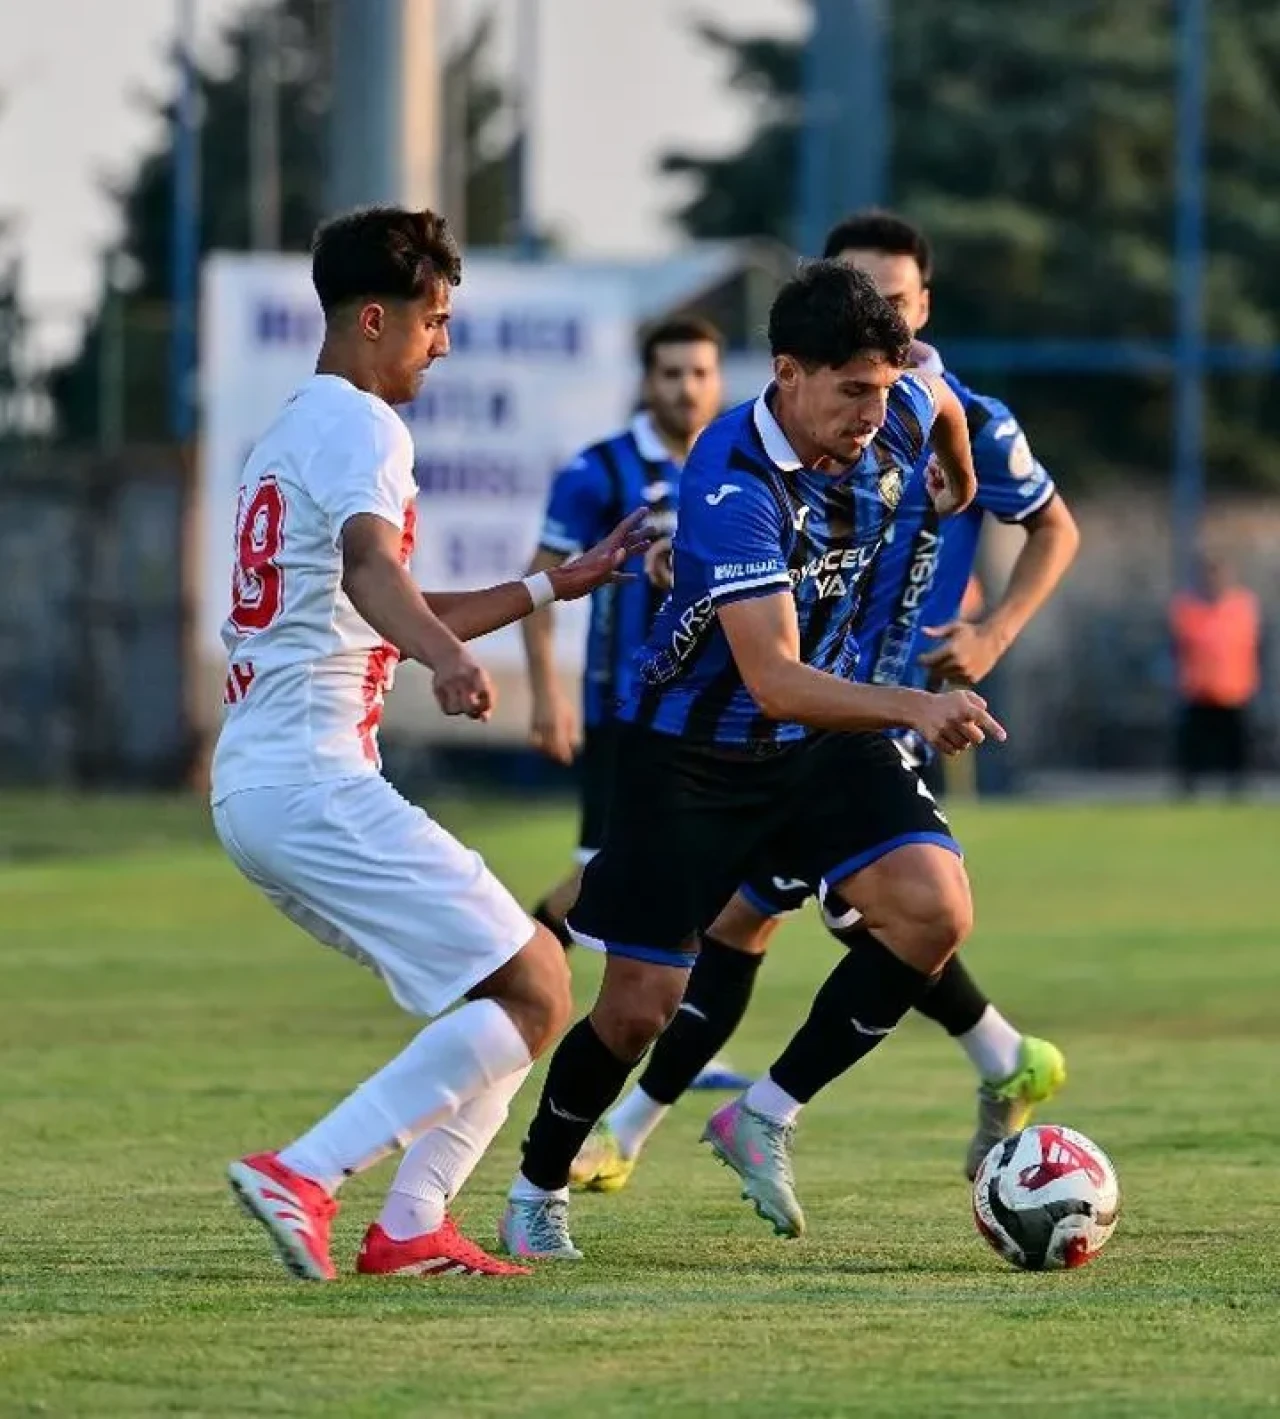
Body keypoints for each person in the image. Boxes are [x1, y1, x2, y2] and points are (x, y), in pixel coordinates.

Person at [497, 259, 1006, 1260]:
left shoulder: (899, 399)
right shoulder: (730, 478)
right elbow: (770, 676)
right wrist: (911, 703)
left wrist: (958, 472)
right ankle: (534, 1189)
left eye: (880, 388)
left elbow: (941, 402)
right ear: (785, 372)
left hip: (822, 743)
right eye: (848, 391)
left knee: (933, 910)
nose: (871, 412)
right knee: (637, 1011)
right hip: (693, 755)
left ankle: (763, 1113)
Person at [571, 210, 1082, 1198]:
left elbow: (1052, 525)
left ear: (920, 308)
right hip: (803, 705)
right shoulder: (799, 427)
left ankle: (666, 1127)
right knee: (778, 922)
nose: (872, 321)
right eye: (853, 298)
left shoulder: (942, 406)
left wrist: (989, 634)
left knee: (841, 917)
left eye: (890, 303)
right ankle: (993, 1055)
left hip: (875, 710)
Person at [211, 206, 651, 1282]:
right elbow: (372, 572)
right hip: (310, 781)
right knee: (541, 991)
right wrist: (449, 665)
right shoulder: (364, 427)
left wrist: (553, 582)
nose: (441, 344)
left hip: (268, 789)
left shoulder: (291, 430)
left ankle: (411, 1226)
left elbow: (380, 597)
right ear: (375, 317)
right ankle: (304, 1173)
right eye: (434, 321)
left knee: (523, 981)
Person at [521, 315, 750, 1093]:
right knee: (609, 873)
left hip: (718, 711)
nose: (686, 388)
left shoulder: (742, 461)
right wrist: (548, 690)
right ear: (646, 381)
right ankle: (505, 968)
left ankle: (671, 1032)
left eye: (700, 373)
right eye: (671, 374)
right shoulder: (601, 472)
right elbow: (541, 579)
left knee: (690, 874)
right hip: (627, 711)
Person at [1170, 552, 1262, 796]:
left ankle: (1238, 789)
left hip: (1234, 689)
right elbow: (1180, 645)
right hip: (1198, 690)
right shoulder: (1188, 608)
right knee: (1193, 745)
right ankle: (1188, 789)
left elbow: (1252, 645)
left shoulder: (1242, 607)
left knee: (1236, 745)